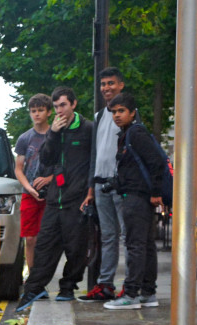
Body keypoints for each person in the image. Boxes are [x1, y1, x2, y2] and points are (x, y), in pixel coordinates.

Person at [14, 87, 95, 309]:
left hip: (77, 197)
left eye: (63, 105)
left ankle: (68, 286)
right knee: (44, 245)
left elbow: (94, 163)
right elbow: (46, 160)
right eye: (57, 106)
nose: (60, 110)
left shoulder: (88, 128)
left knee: (76, 247)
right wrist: (54, 134)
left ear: (73, 104)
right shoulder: (54, 130)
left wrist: (90, 192)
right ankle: (34, 289)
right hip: (54, 197)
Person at [103, 92, 162, 310]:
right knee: (145, 244)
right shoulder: (129, 133)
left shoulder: (136, 133)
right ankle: (148, 292)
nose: (117, 115)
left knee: (135, 244)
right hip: (137, 195)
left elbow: (155, 161)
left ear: (132, 112)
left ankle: (131, 294)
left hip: (137, 196)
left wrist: (156, 191)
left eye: (121, 111)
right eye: (114, 112)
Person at [77, 67, 127, 303]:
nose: (107, 88)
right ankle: (105, 285)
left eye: (111, 83)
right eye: (103, 84)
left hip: (122, 185)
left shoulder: (128, 113)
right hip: (99, 185)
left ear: (121, 85)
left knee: (128, 236)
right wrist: (90, 189)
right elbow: (94, 155)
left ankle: (131, 286)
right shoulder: (98, 117)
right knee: (108, 236)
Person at [14, 94, 52, 274]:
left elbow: (64, 164)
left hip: (51, 192)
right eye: (33, 111)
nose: (36, 114)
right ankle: (32, 274)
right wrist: (28, 187)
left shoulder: (55, 135)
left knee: (47, 238)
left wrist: (49, 179)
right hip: (29, 193)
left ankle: (43, 275)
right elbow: (18, 168)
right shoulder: (24, 138)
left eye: (40, 110)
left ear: (48, 112)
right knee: (30, 238)